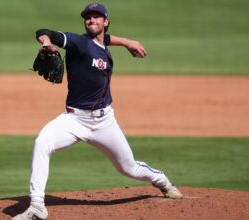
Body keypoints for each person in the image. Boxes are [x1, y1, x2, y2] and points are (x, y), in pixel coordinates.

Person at [13, 3, 183, 220]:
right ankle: (37, 205)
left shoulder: (102, 44)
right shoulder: (79, 43)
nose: (91, 20)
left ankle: (163, 182)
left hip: (105, 123)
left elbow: (107, 39)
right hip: (74, 119)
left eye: (96, 17)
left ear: (105, 22)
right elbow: (44, 32)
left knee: (129, 168)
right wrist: (47, 44)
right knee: (42, 143)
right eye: (88, 17)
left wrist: (128, 42)